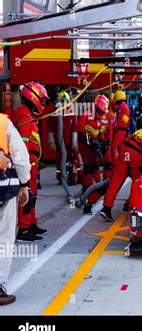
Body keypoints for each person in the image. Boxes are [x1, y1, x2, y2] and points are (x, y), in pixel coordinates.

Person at [10, 81, 49, 242]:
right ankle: (24, 230)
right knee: (27, 196)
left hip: (32, 163)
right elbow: (22, 146)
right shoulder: (24, 116)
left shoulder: (27, 114)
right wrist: (24, 167)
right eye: (42, 99)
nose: (43, 103)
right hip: (27, 164)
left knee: (32, 195)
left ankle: (32, 223)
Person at [0, 113, 31, 305]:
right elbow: (20, 156)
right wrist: (24, 183)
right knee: (4, 236)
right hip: (3, 190)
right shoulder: (4, 123)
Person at [78, 95, 110, 214]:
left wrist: (103, 141)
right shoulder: (86, 115)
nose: (102, 114)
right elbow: (80, 128)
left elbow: (101, 130)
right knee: (89, 168)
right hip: (86, 145)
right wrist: (90, 139)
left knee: (95, 166)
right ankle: (86, 190)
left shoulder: (99, 118)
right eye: (100, 111)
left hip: (94, 146)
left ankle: (90, 190)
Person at [48, 91, 79, 185]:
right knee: (60, 159)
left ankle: (72, 177)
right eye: (62, 101)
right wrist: (51, 141)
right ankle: (61, 177)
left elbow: (74, 128)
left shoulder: (71, 112)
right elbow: (50, 128)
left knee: (71, 159)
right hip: (59, 141)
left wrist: (74, 141)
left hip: (68, 142)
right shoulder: (54, 112)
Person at [110, 90, 130, 161]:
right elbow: (125, 120)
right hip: (123, 130)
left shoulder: (121, 107)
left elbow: (119, 120)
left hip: (120, 130)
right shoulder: (125, 106)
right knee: (121, 148)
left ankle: (114, 162)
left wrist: (114, 127)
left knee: (113, 147)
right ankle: (121, 162)